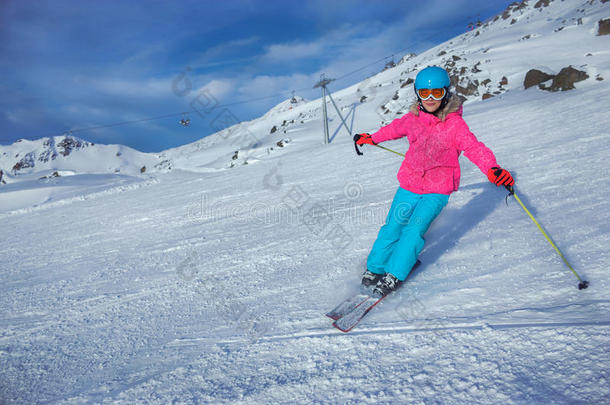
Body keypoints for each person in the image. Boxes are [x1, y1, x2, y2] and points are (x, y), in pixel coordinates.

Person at [354, 66, 514, 296]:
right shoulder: (412, 119)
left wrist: (493, 169)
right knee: (393, 226)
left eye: (436, 93)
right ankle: (375, 268)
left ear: (446, 93)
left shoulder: (454, 125)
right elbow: (392, 130)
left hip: (437, 189)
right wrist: (370, 138)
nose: (430, 99)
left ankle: (395, 273)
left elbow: (473, 147)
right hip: (410, 183)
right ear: (417, 94)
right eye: (424, 93)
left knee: (413, 229)